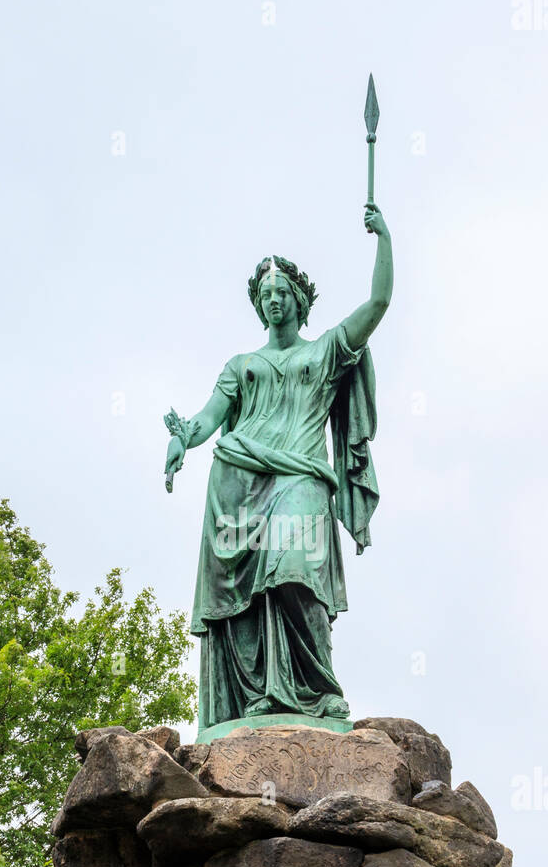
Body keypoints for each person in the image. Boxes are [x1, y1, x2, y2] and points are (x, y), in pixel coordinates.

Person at [164, 202, 393, 732]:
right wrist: (182, 440)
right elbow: (206, 418)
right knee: (245, 599)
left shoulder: (327, 352)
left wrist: (383, 238)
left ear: (299, 299)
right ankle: (263, 696)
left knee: (294, 573)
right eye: (264, 295)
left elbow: (379, 302)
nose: (273, 301)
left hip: (303, 478)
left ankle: (319, 690)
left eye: (281, 293)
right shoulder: (240, 366)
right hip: (238, 480)